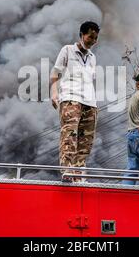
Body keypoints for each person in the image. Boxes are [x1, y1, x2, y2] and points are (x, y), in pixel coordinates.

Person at [50, 21, 100, 182]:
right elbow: (55, 73)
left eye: (96, 38)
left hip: (90, 103)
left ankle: (78, 176)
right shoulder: (67, 50)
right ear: (82, 35)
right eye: (90, 37)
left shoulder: (93, 57)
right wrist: (54, 93)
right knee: (69, 135)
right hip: (71, 99)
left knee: (86, 141)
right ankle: (67, 170)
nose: (93, 41)